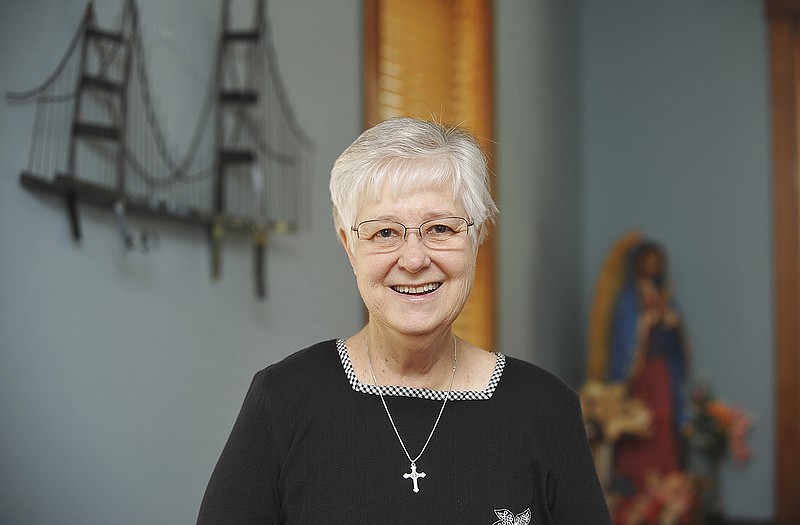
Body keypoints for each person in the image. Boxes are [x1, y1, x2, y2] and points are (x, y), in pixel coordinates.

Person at [197, 117, 611, 524]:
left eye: (440, 228)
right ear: (348, 245)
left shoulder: (547, 410)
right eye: (385, 233)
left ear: (477, 237)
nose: (413, 259)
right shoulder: (282, 399)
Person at [609, 241, 687, 494]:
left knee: (663, 418)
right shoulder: (630, 299)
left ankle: (664, 487)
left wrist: (669, 322)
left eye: (656, 263)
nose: (652, 268)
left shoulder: (664, 295)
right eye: (647, 262)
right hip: (639, 372)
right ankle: (638, 487)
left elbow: (675, 335)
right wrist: (645, 323)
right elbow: (625, 337)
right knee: (639, 422)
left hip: (660, 371)